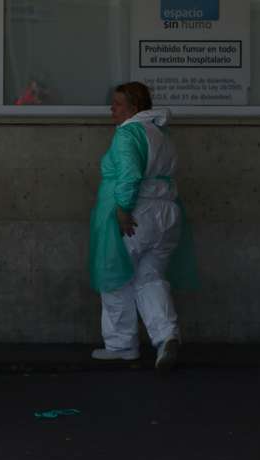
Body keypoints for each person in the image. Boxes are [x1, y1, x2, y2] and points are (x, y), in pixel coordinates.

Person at [88, 81, 190, 370]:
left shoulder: (127, 134)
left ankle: (121, 344)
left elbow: (129, 174)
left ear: (134, 108)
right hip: (167, 214)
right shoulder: (160, 133)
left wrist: (122, 208)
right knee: (150, 277)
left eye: (118, 103)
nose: (112, 108)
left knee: (115, 274)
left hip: (137, 214)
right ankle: (166, 335)